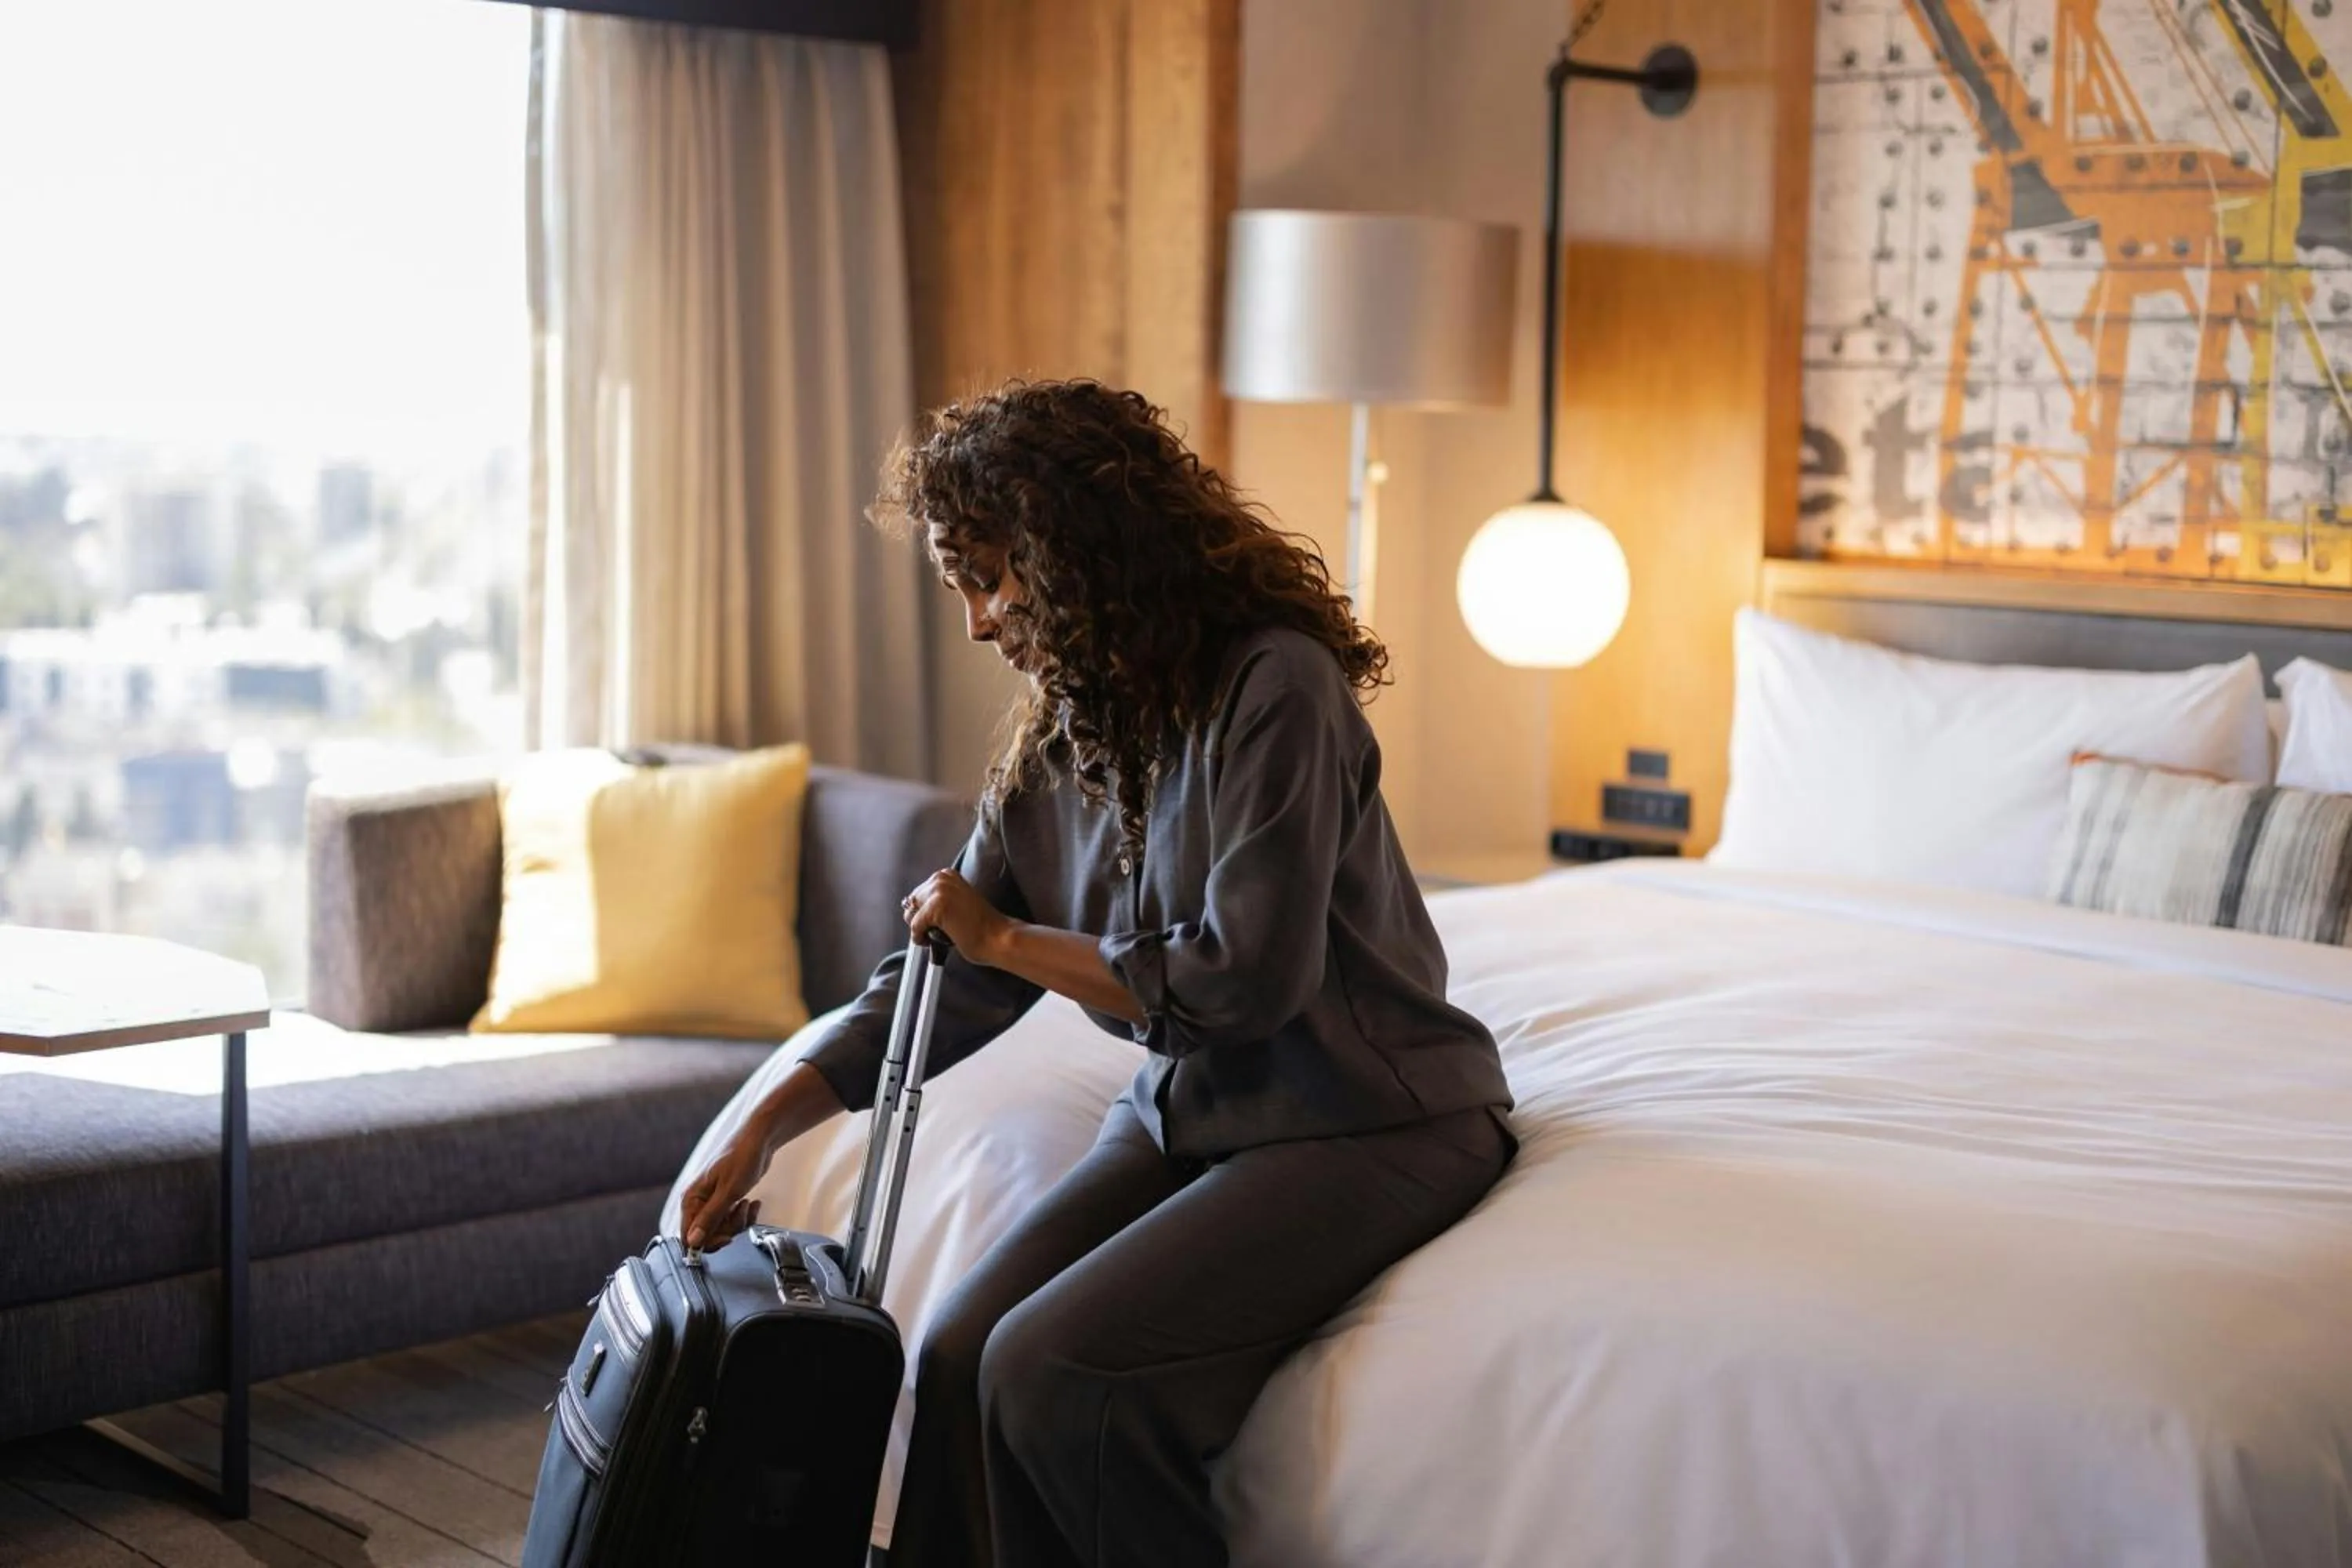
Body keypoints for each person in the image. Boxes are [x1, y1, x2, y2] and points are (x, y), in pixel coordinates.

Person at [677, 379, 1515, 1568]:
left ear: (1073, 550)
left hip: (1366, 1120)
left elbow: (1244, 981)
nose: (975, 619)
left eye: (988, 574)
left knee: (1054, 1366)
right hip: (1191, 1113)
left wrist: (1010, 941)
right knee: (961, 1350)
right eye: (956, 581)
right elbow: (939, 980)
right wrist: (765, 1125)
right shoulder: (1066, 726)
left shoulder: (1278, 689)